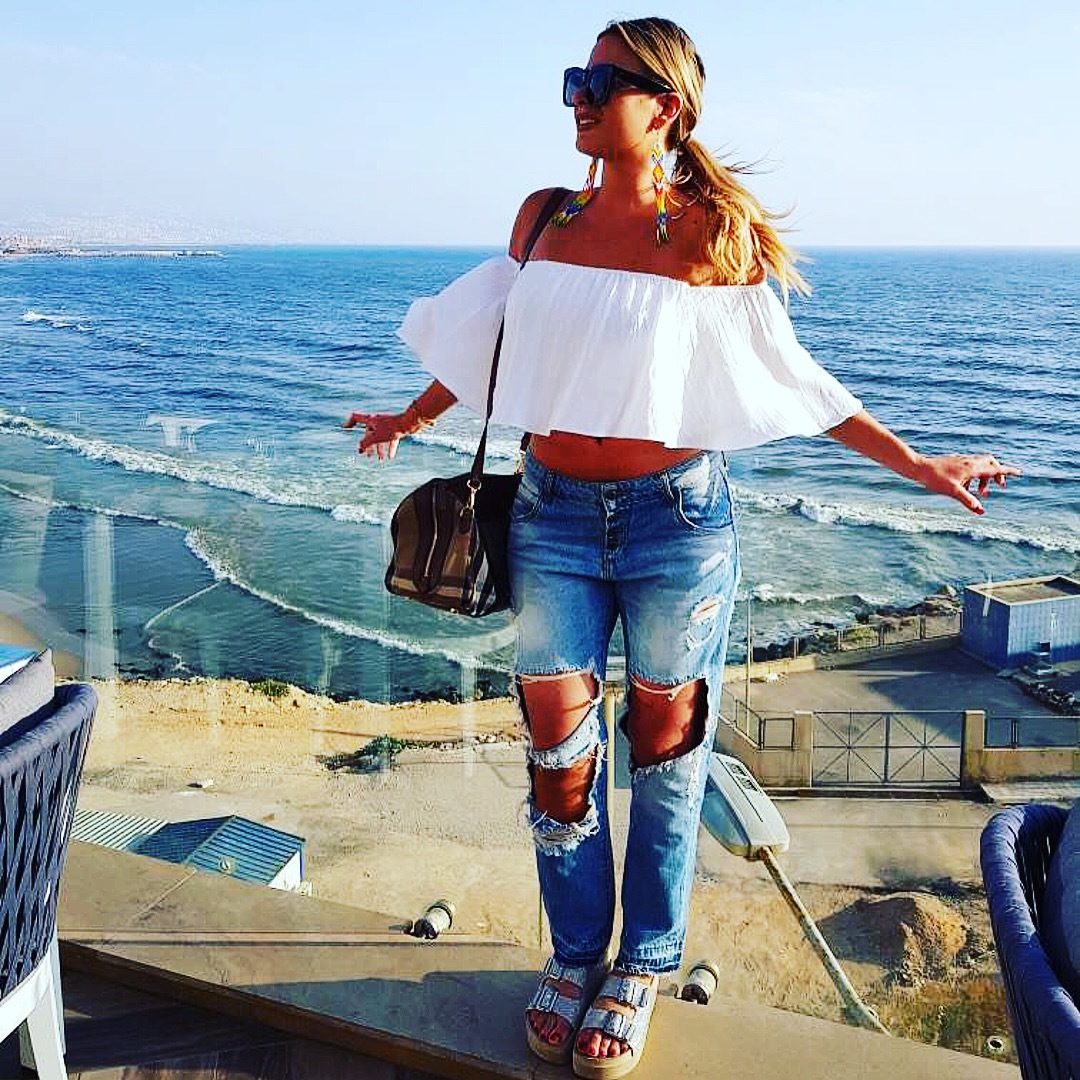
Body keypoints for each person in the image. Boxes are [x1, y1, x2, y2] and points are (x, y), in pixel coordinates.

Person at [345, 17, 1019, 1078]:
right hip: (552, 518)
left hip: (676, 525)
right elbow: (492, 341)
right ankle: (576, 954)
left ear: (665, 107)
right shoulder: (544, 215)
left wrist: (918, 465)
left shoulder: (710, 233)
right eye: (574, 78)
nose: (578, 97)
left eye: (600, 82)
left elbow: (792, 380)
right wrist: (409, 417)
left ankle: (644, 963)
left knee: (666, 757)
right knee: (559, 755)